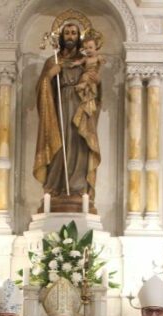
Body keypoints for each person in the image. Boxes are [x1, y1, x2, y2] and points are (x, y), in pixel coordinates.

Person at [33, 21, 101, 202]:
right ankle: (55, 186)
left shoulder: (85, 61)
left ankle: (78, 188)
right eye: (67, 33)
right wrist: (49, 75)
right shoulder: (52, 61)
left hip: (80, 107)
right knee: (59, 143)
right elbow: (41, 89)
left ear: (78, 38)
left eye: (73, 33)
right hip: (60, 107)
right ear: (62, 37)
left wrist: (96, 82)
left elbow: (96, 90)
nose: (70, 36)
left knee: (79, 144)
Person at [71, 29, 105, 139]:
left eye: (91, 48)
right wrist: (74, 63)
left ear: (96, 47)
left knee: (91, 84)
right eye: (86, 48)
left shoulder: (97, 57)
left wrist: (99, 80)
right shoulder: (85, 58)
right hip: (85, 76)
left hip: (93, 78)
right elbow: (79, 62)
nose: (88, 50)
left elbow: (103, 62)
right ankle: (83, 88)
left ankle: (85, 89)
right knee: (85, 78)